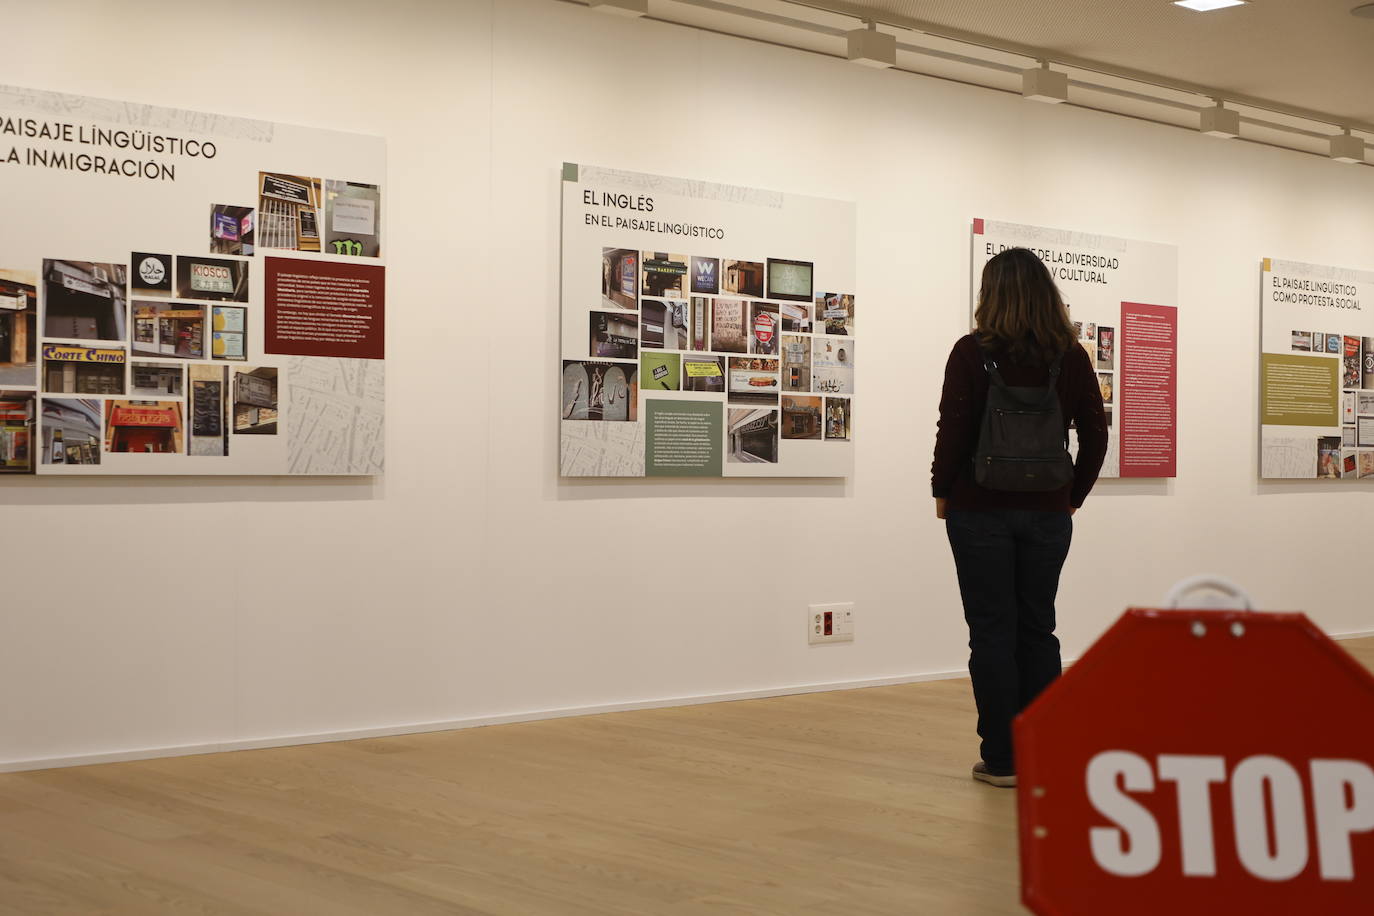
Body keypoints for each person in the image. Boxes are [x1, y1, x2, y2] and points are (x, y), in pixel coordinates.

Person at [931, 248, 1108, 789]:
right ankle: (1042, 750)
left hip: (978, 510)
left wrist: (942, 491)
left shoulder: (970, 352)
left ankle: (1002, 758)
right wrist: (1071, 495)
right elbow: (1096, 435)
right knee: (1038, 629)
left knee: (990, 632)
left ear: (993, 294)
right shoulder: (1071, 356)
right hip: (1048, 511)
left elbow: (953, 429)